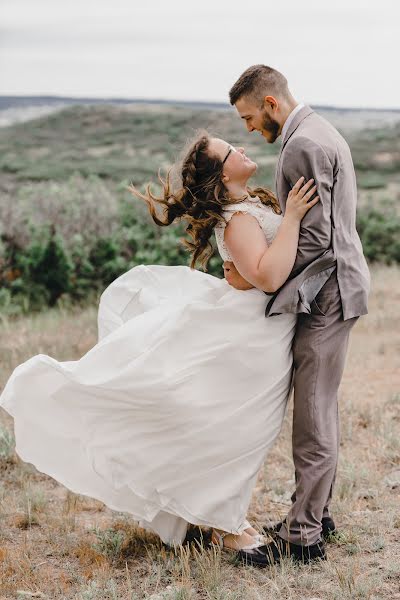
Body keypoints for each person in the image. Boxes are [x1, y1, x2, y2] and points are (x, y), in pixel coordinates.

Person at [0, 130, 318, 563]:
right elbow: (266, 277)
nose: (240, 149)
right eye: (230, 150)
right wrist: (294, 219)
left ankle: (213, 511)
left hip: (262, 333)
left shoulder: (248, 206)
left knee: (240, 427)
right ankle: (225, 522)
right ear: (221, 173)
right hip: (247, 335)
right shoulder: (238, 218)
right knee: (236, 427)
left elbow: (254, 270)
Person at [225, 64, 371, 567]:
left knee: (313, 416)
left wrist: (264, 281)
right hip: (332, 288)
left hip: (327, 294)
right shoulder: (317, 129)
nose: (248, 130)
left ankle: (304, 535)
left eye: (248, 117)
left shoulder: (303, 144)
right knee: (320, 407)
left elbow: (314, 240)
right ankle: (315, 512)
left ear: (270, 104)